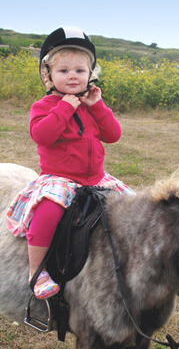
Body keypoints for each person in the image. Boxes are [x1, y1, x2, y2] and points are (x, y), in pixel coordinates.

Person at [6, 27, 134, 300]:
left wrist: (98, 106)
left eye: (80, 70)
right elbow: (42, 135)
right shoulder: (44, 106)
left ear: (90, 75)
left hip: (96, 178)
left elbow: (113, 135)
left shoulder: (92, 106)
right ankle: (37, 270)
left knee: (133, 207)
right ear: (48, 76)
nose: (72, 76)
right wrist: (65, 106)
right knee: (47, 212)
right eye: (63, 71)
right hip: (60, 178)